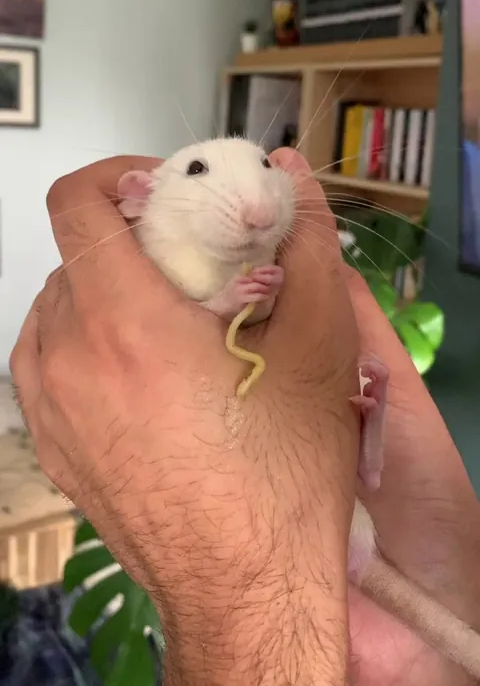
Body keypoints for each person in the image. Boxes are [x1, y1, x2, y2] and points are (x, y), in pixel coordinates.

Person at [10, 149, 480, 686]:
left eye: (264, 164)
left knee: (350, 452)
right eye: (198, 171)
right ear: (142, 195)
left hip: (344, 524)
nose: (256, 208)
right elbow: (192, 342)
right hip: (342, 538)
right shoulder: (153, 255)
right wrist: (227, 304)